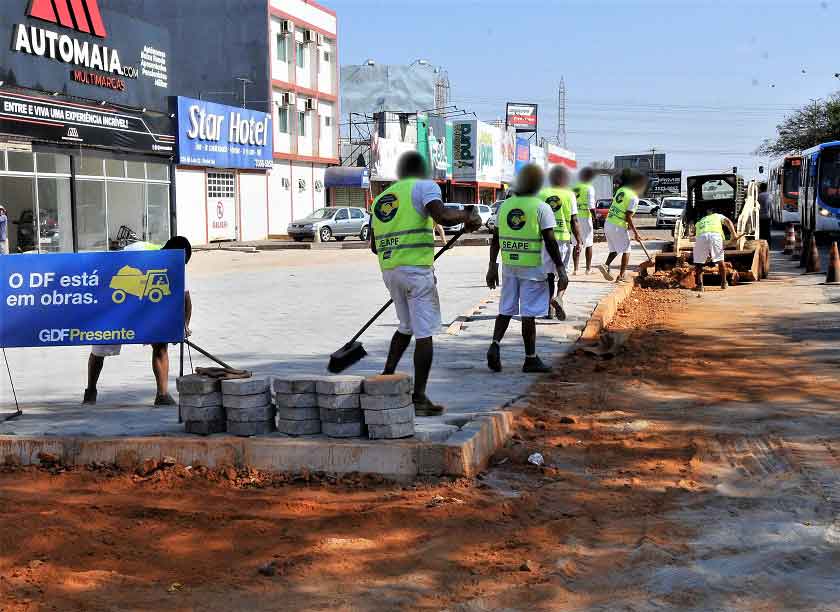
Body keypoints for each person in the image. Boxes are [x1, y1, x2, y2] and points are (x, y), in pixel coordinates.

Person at [370, 151, 482, 416]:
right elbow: (441, 215)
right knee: (424, 332)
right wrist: (467, 215)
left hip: (390, 270)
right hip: (416, 270)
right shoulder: (424, 186)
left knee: (405, 326)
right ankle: (419, 398)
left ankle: (386, 377)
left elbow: (375, 246)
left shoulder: (382, 199)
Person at [83, 236, 193, 406]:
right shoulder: (140, 249)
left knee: (160, 345)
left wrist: (184, 325)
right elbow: (112, 263)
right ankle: (90, 391)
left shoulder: (176, 267)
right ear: (171, 252)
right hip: (117, 306)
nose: (180, 266)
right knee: (99, 349)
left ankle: (162, 395)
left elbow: (186, 299)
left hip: (146, 307)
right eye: (180, 261)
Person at [486, 163, 569, 373]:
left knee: (505, 309)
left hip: (509, 267)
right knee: (528, 315)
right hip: (532, 269)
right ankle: (530, 358)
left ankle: (495, 345)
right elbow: (550, 241)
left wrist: (491, 267)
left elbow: (495, 239)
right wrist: (561, 269)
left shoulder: (505, 206)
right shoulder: (541, 207)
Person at [539, 165, 580, 320]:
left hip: (547, 239)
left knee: (549, 275)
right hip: (563, 239)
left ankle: (549, 308)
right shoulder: (570, 195)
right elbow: (574, 220)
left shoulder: (542, 194)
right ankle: (559, 297)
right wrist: (579, 241)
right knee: (563, 273)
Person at [598, 169, 648, 283]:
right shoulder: (634, 198)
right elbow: (628, 216)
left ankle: (606, 265)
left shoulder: (621, 190)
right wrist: (636, 233)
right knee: (627, 250)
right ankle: (621, 275)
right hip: (618, 225)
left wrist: (629, 228)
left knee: (614, 249)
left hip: (608, 222)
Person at [693, 209, 739, 292]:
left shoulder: (700, 221)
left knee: (699, 263)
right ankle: (724, 283)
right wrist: (734, 235)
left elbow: (695, 234)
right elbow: (728, 221)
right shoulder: (718, 216)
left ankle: (700, 285)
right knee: (720, 260)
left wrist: (707, 254)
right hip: (715, 236)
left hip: (701, 237)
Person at [572, 167, 597, 275]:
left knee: (575, 243)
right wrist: (595, 218)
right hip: (585, 217)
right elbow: (591, 206)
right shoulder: (589, 188)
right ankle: (588, 269)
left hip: (574, 217)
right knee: (589, 243)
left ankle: (576, 269)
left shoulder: (574, 188)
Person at [757, 181, 771, 246]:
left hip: (760, 217)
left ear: (760, 188)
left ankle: (762, 245)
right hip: (768, 216)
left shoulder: (759, 196)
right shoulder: (769, 195)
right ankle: (768, 245)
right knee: (767, 232)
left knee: (761, 232)